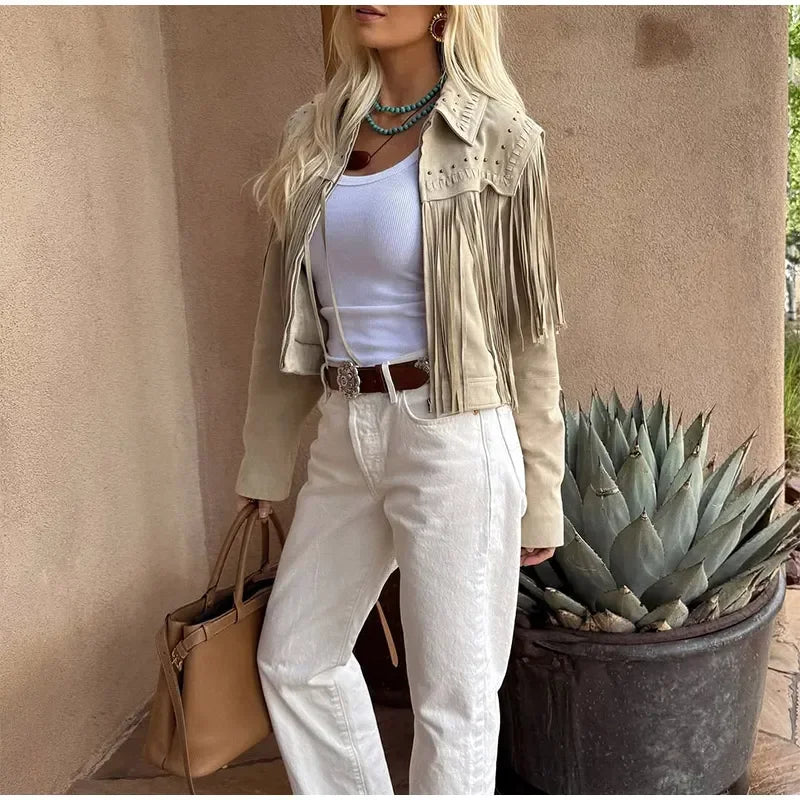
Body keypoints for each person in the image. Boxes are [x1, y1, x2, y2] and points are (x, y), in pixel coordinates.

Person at [234, 4, 567, 794]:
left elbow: (530, 331)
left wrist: (542, 494)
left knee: (453, 696)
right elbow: (280, 317)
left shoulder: (501, 137)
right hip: (346, 425)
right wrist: (265, 461)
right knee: (295, 656)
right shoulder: (315, 130)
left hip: (453, 429)